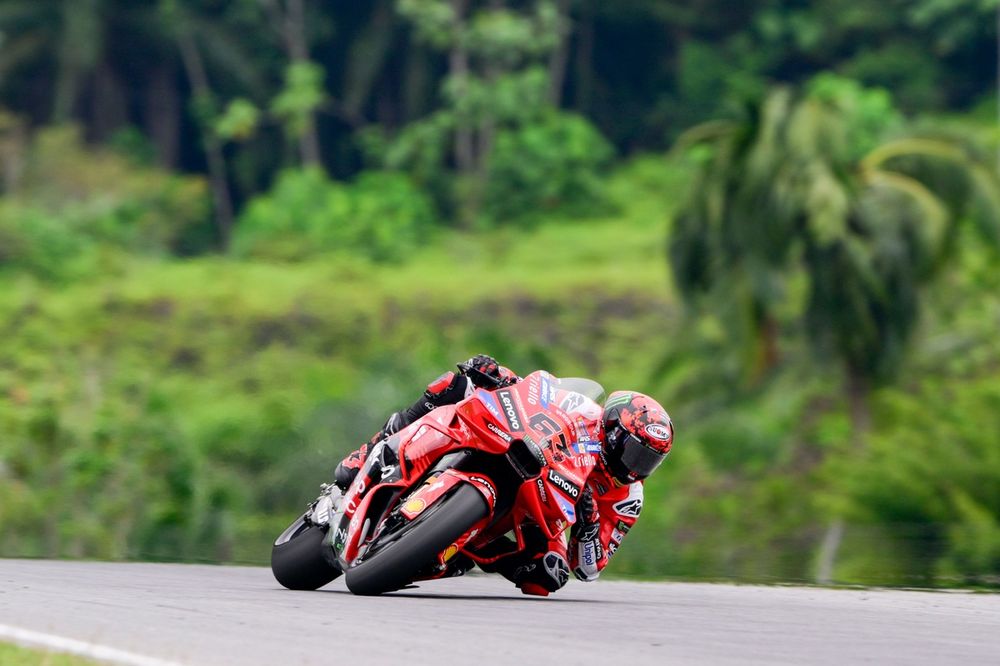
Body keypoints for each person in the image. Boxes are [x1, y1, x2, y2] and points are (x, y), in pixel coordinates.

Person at [332, 355, 674, 597]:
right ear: (612, 428)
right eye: (634, 450)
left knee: (549, 575)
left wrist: (588, 522)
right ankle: (372, 448)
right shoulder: (585, 412)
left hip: (545, 513)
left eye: (649, 459)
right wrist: (500, 375)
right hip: (520, 451)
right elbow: (537, 393)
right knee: (454, 385)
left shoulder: (628, 499)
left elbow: (589, 568)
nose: (636, 465)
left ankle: (459, 551)